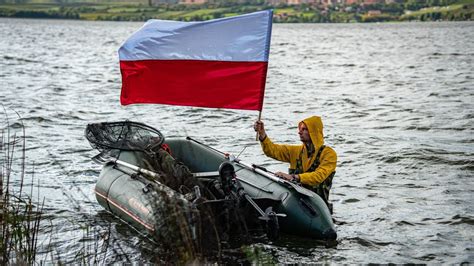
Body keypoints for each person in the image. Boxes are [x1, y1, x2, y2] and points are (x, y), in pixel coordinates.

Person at [253, 116, 337, 212]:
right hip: (298, 203)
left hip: (319, 207)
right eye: (300, 129)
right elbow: (273, 151)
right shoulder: (296, 151)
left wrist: (293, 177)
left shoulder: (329, 154)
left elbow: (319, 176)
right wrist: (262, 134)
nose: (299, 132)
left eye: (304, 129)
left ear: (314, 132)